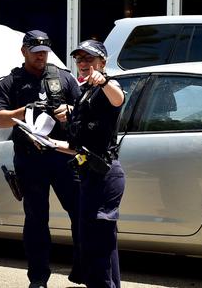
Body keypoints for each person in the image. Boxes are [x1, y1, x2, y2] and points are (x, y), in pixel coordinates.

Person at [0, 30, 82, 288]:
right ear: (24, 52)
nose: (41, 57)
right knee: (36, 220)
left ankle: (83, 269)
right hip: (31, 159)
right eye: (36, 53)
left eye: (44, 53)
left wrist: (70, 110)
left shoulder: (62, 77)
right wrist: (26, 110)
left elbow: (85, 110)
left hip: (63, 156)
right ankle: (38, 278)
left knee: (79, 213)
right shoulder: (11, 82)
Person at [54, 39, 126, 288]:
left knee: (98, 248)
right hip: (88, 173)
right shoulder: (85, 93)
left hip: (105, 176)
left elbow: (118, 99)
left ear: (102, 63)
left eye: (89, 59)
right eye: (79, 59)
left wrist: (104, 81)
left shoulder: (108, 85)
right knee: (92, 247)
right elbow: (80, 146)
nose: (83, 64)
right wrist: (50, 143)